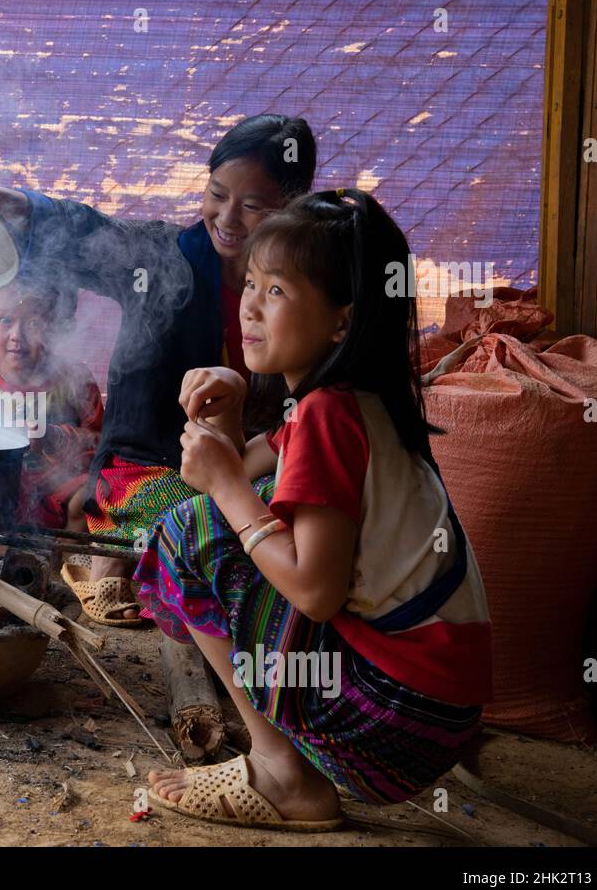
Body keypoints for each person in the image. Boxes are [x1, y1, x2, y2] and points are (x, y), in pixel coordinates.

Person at [135, 189, 492, 830]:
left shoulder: (329, 413)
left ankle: (279, 771)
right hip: (429, 714)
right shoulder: (347, 401)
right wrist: (232, 412)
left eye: (277, 291)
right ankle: (282, 762)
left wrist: (222, 484)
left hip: (390, 720)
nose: (249, 304)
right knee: (224, 516)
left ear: (341, 322)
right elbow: (240, 471)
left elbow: (313, 591)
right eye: (251, 283)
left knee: (188, 532)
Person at [0, 114, 317, 625]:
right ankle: (122, 569)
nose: (228, 218)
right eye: (216, 194)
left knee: (284, 515)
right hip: (146, 470)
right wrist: (12, 203)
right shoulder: (165, 257)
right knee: (191, 523)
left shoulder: (303, 290)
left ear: (290, 208)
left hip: (251, 466)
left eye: (253, 205)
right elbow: (91, 233)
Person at [0, 283, 102, 532]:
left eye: (33, 323)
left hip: (54, 489)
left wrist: (56, 437)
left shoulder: (76, 380)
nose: (16, 335)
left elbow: (100, 445)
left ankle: (64, 563)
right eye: (5, 320)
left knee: (89, 495)